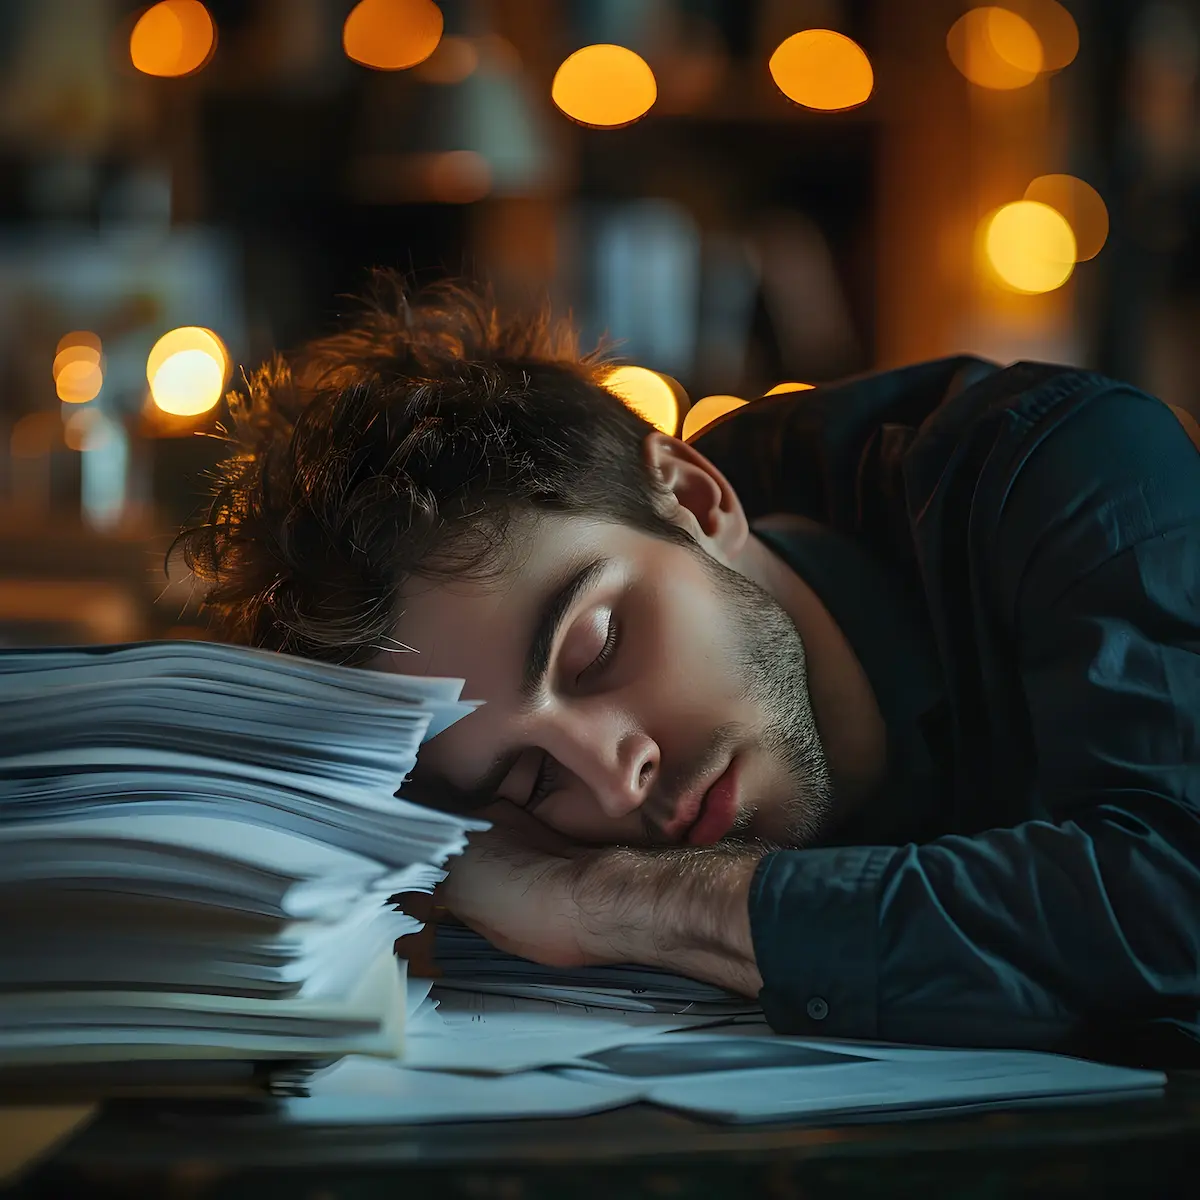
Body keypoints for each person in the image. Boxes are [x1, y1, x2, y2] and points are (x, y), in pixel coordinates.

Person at [177, 275, 1200, 1062]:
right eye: (529, 777)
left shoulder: (1069, 472)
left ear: (697, 499)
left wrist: (628, 903)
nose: (610, 775)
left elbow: (1173, 900)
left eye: (595, 647)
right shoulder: (537, 815)